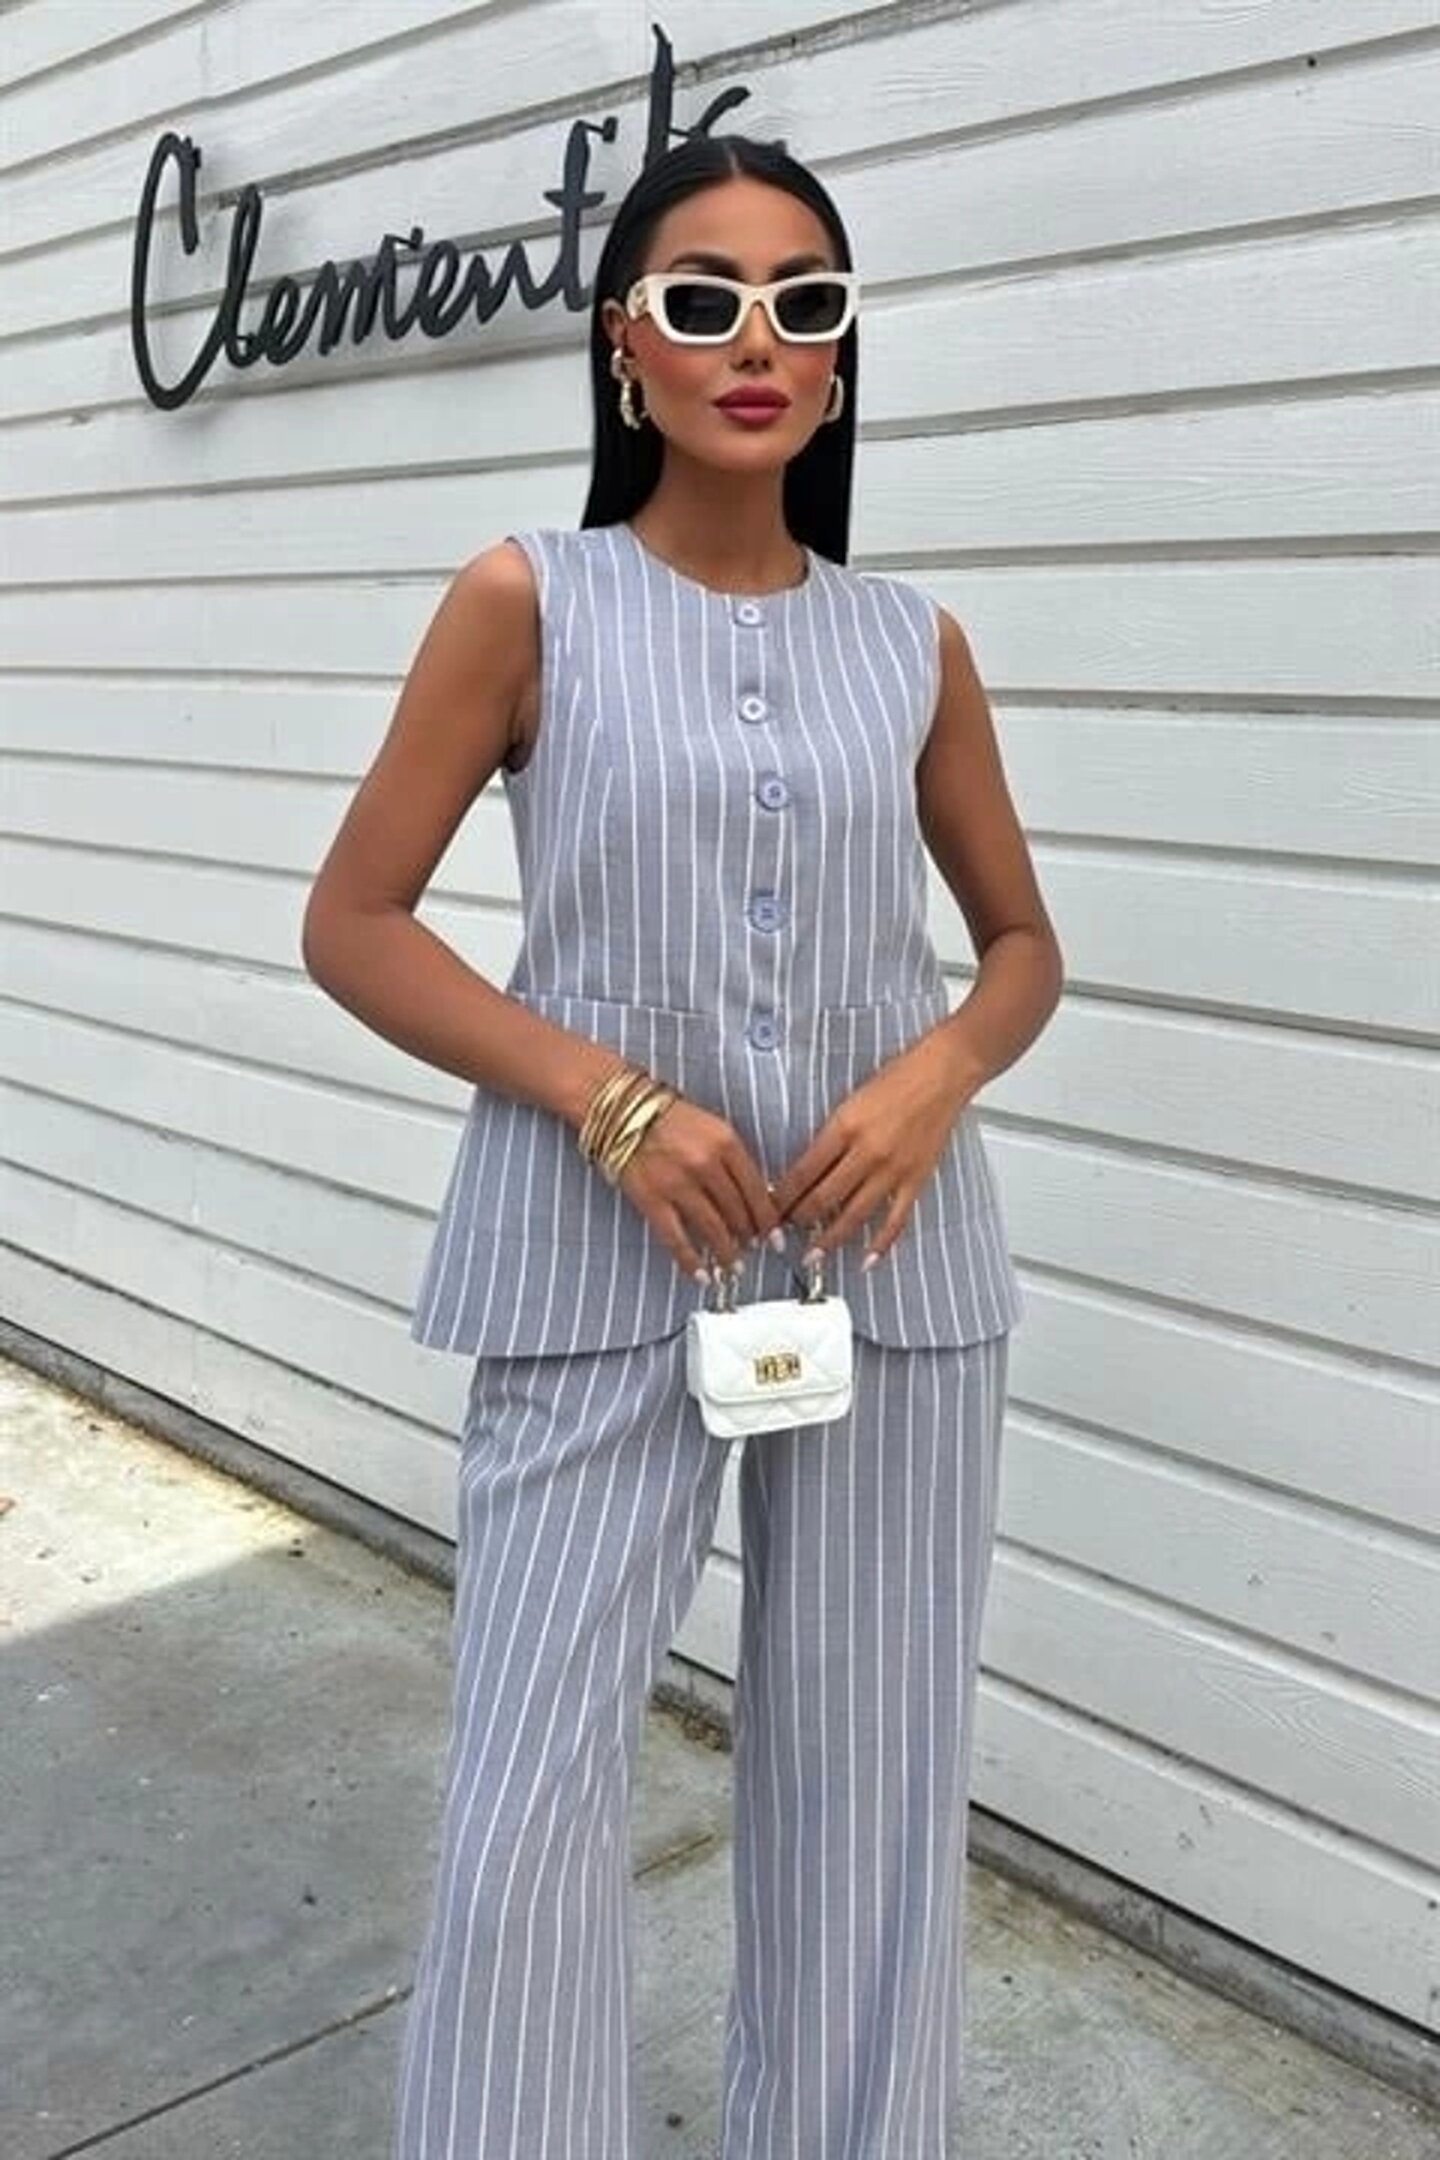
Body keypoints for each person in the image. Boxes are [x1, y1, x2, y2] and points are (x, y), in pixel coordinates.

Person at [302, 129, 1062, 2160]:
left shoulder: (913, 643)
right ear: (623, 342)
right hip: (591, 1260)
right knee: (534, 1780)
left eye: (804, 303)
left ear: (840, 354)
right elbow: (354, 923)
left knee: (870, 1782)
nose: (758, 340)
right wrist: (607, 1100)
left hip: (891, 1274)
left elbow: (1021, 947)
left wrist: (935, 1077)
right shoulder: (525, 601)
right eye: (706, 298)